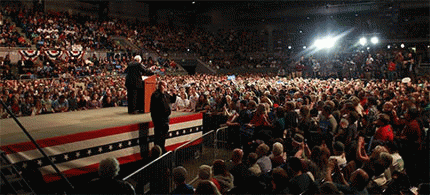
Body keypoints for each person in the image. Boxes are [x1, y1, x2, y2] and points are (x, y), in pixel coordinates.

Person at [150, 81, 176, 153]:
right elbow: (158, 103)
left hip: (166, 118)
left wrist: (174, 94)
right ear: (160, 86)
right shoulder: (156, 94)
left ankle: (162, 147)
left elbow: (172, 100)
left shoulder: (165, 93)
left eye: (166, 85)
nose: (165, 87)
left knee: (164, 134)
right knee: (158, 135)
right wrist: (161, 93)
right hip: (158, 118)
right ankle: (157, 150)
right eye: (164, 85)